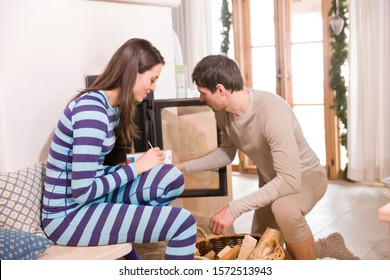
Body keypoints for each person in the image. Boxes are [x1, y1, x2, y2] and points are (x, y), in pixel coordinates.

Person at [41, 38, 197, 260]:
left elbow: (93, 170)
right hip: (67, 217)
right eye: (152, 80)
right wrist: (138, 168)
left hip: (89, 201)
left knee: (171, 176)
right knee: (183, 223)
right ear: (133, 72)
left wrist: (136, 167)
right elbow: (82, 191)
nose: (153, 88)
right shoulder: (92, 112)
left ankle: (128, 245)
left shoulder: (109, 108)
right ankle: (132, 251)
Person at [175, 54, 328, 260]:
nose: (201, 98)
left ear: (220, 89)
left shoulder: (272, 111)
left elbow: (290, 180)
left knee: (284, 209)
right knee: (258, 244)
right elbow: (226, 153)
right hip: (274, 182)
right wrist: (182, 167)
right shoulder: (222, 111)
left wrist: (234, 208)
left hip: (304, 176)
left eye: (203, 93)